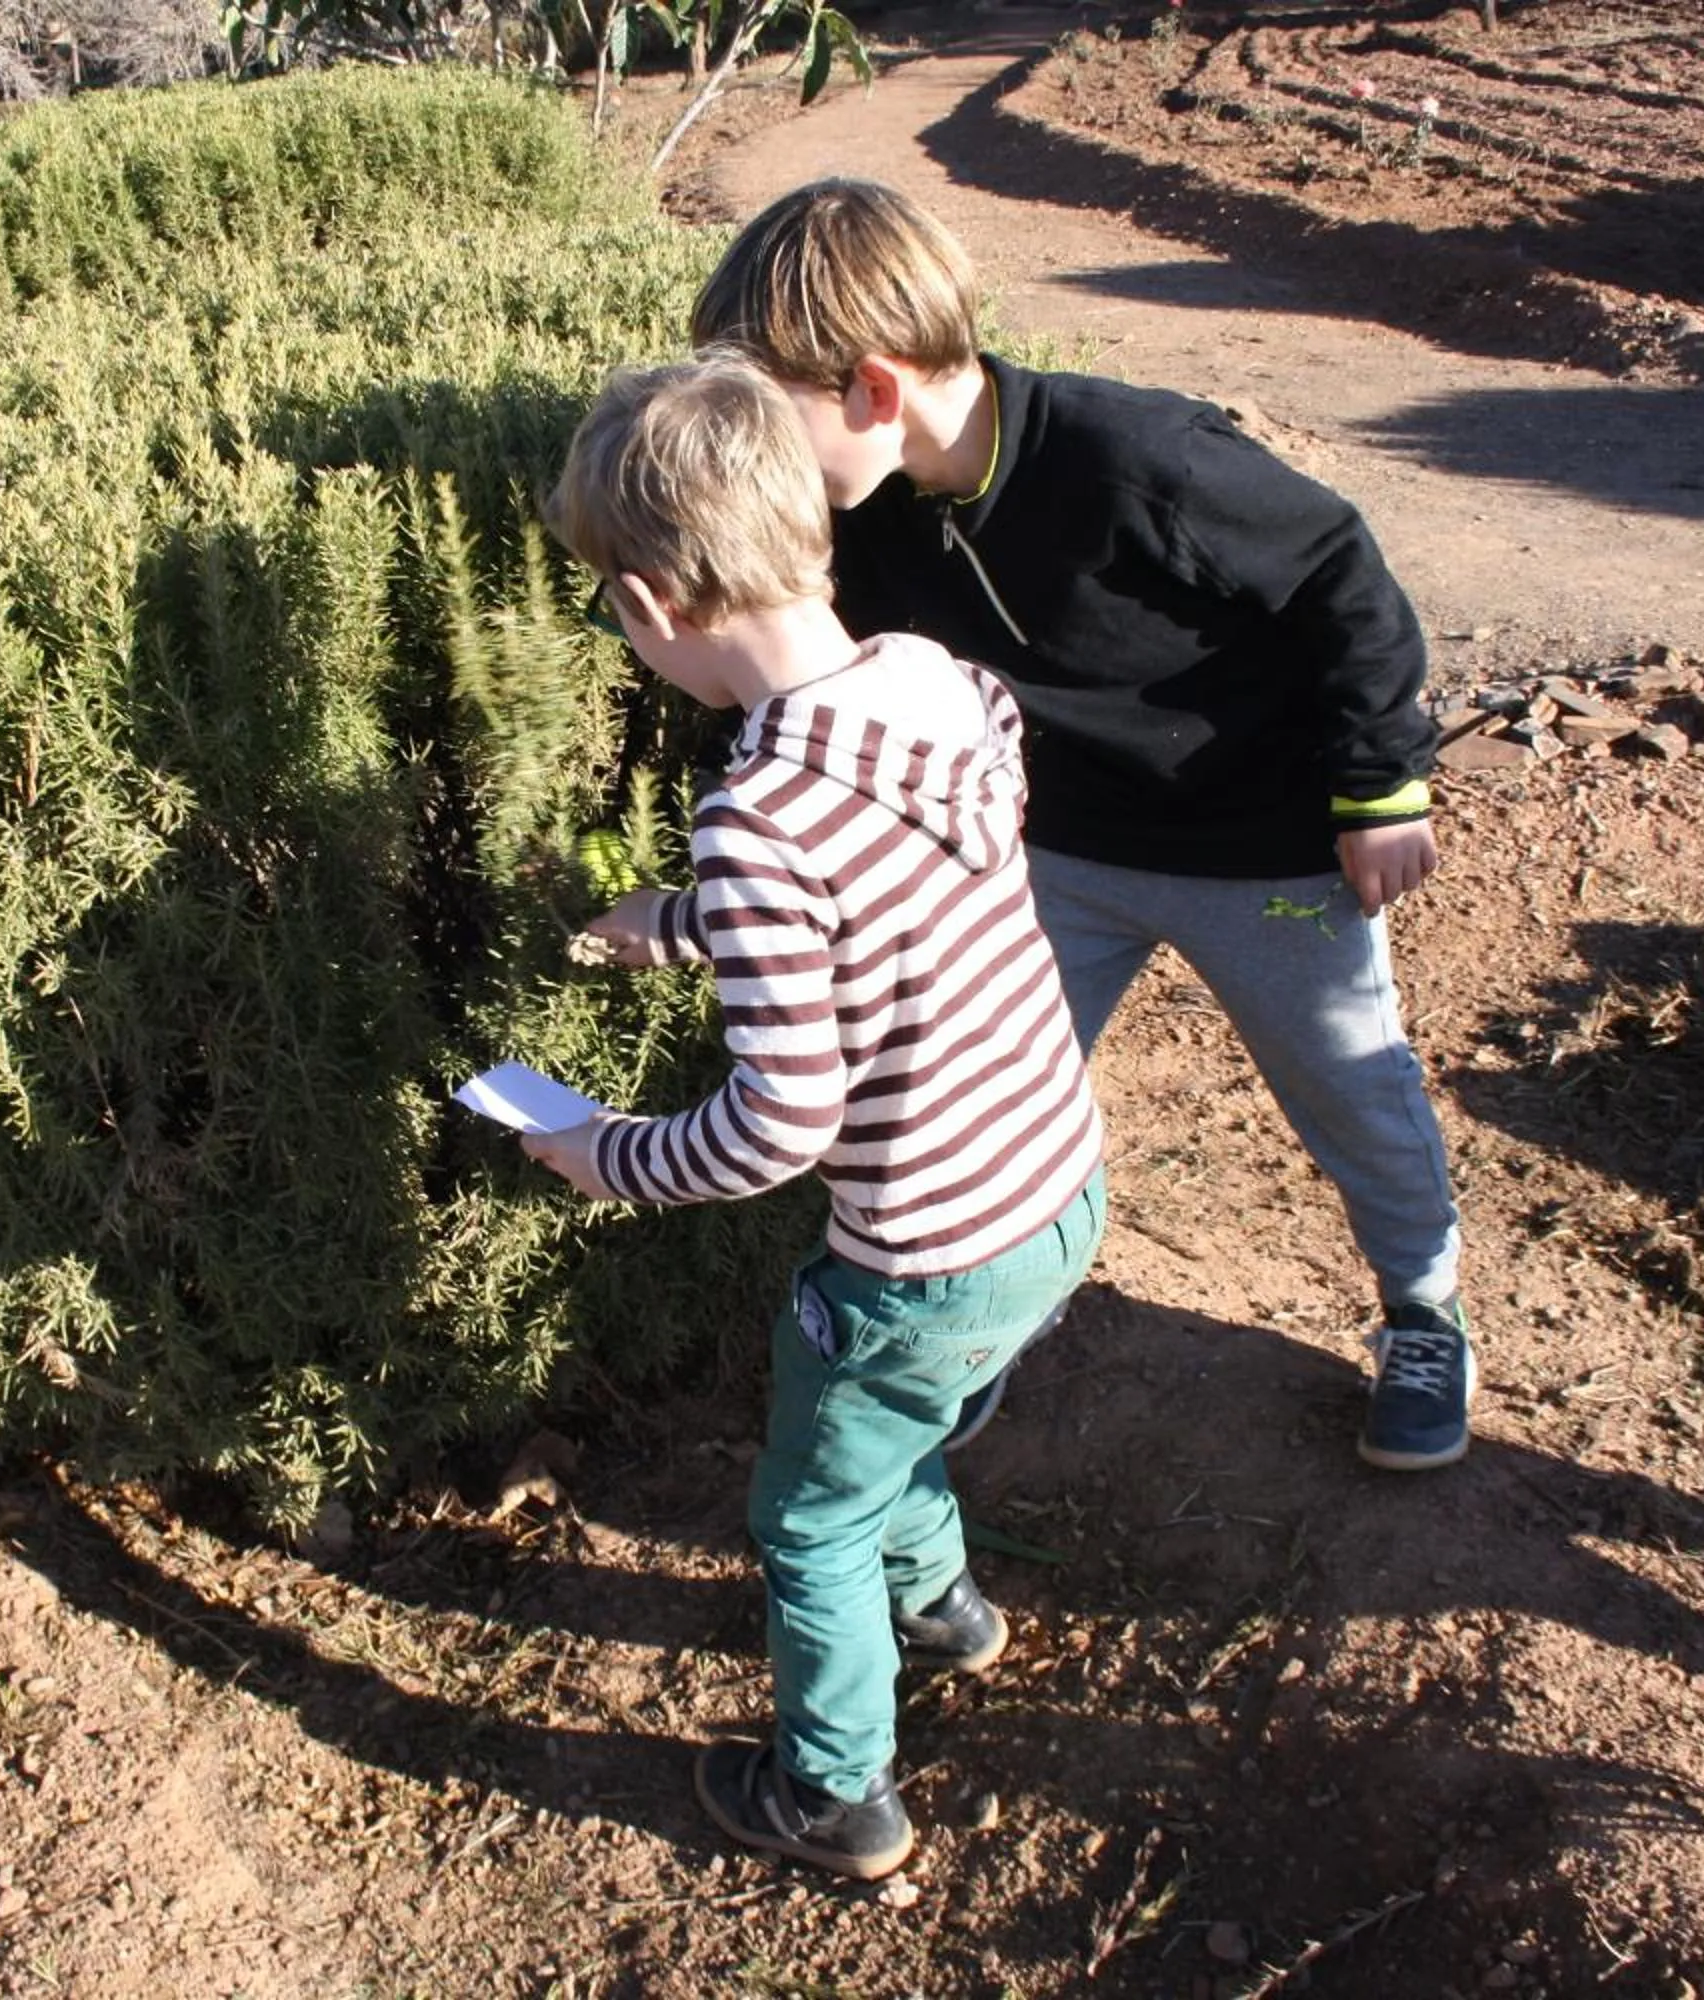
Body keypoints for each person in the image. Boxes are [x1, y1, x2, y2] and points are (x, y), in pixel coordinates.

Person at [687, 177, 1473, 1473]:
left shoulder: (1136, 457)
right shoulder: (865, 516)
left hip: (1263, 848)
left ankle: (1423, 1308)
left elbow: (1341, 571)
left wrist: (1381, 784)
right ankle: (975, 1329)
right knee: (981, 1090)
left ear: (874, 391)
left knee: (1350, 1085)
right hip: (1058, 855)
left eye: (772, 423)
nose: (760, 463)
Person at [521, 353, 1107, 1882]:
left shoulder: (760, 815)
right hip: (1053, 1182)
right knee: (898, 1432)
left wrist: (605, 1155)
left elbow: (775, 1129)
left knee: (807, 1514)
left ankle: (838, 1795)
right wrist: (693, 921)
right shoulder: (934, 685)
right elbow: (897, 904)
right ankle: (943, 1607)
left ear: (647, 603)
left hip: (920, 1256)